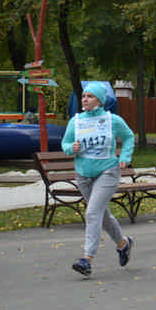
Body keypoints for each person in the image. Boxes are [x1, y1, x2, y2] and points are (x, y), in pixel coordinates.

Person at [60, 81, 135, 277]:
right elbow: (66, 143)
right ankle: (123, 243)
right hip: (83, 173)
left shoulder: (112, 120)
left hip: (107, 171)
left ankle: (87, 259)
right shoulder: (76, 121)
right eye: (84, 96)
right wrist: (71, 148)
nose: (85, 99)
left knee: (93, 212)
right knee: (102, 215)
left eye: (90, 96)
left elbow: (128, 137)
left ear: (100, 100)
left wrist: (125, 157)